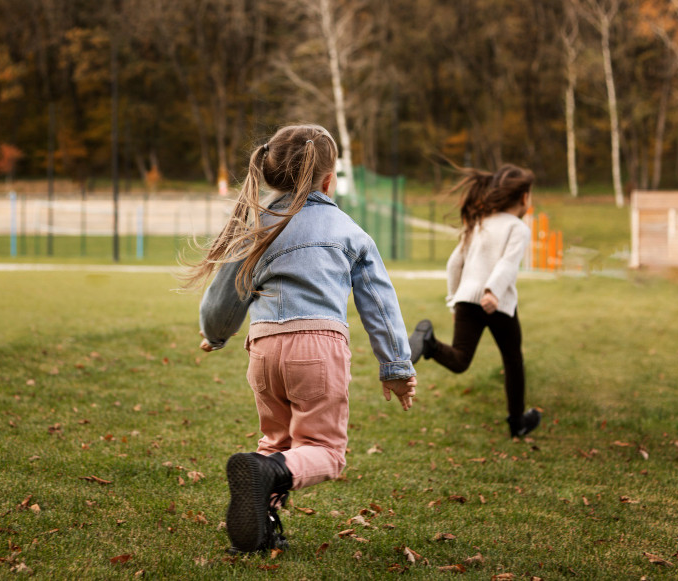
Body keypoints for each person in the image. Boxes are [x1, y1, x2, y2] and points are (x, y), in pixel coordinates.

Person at [181, 124, 417, 554]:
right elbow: (379, 303)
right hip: (318, 348)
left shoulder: (258, 225)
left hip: (264, 349)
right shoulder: (347, 229)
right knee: (325, 451)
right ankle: (266, 482)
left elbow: (226, 292)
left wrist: (215, 335)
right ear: (329, 180)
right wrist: (396, 367)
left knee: (275, 446)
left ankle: (260, 531)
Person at [408, 163, 541, 439]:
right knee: (513, 359)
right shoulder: (517, 227)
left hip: (466, 300)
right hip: (496, 303)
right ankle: (517, 422)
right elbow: (508, 263)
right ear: (524, 197)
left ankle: (430, 343)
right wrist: (492, 291)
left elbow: (454, 263)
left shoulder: (479, 223)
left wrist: (454, 300)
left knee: (460, 360)